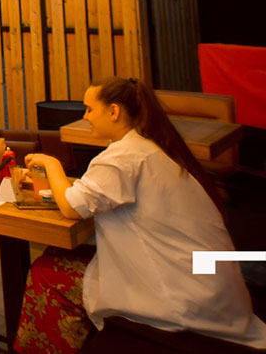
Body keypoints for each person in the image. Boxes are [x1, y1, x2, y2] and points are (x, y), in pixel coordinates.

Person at [13, 77, 266, 354]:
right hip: (207, 282)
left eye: (89, 109)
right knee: (55, 256)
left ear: (113, 111)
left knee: (47, 272)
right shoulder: (147, 146)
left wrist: (51, 164)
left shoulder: (123, 157)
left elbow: (72, 207)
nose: (85, 117)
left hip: (181, 293)